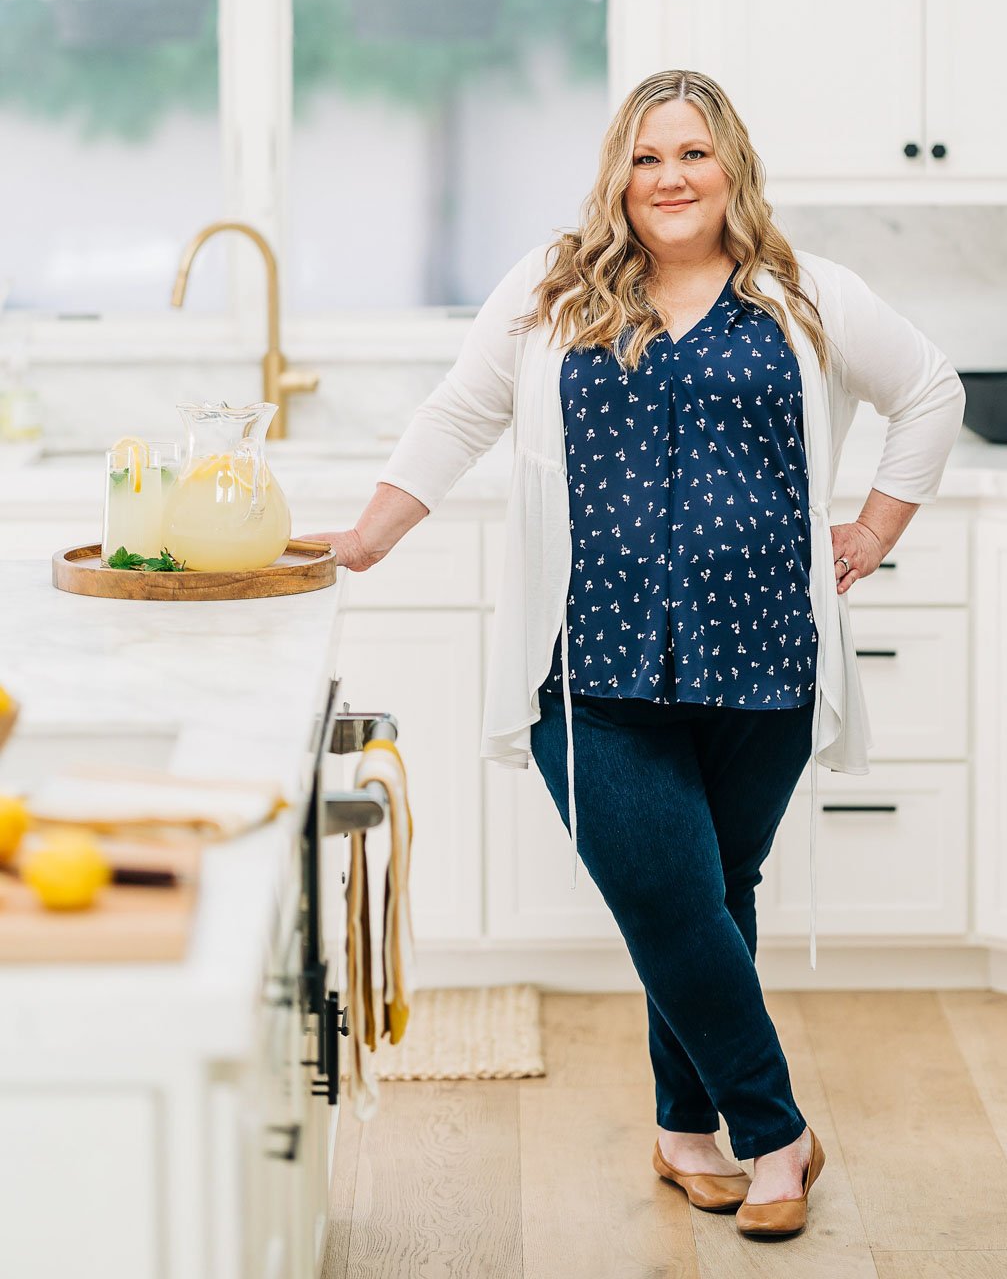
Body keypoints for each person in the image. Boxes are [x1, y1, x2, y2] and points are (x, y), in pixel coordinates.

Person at [313, 69, 965, 1240]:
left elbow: (930, 391)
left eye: (693, 155)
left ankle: (682, 1127)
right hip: (592, 669)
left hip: (765, 660)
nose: (670, 177)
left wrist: (874, 526)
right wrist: (370, 532)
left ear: (732, 171)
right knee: (666, 892)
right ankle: (775, 1133)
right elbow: (462, 411)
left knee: (710, 901)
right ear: (619, 171)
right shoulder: (555, 286)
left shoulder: (804, 291)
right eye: (647, 156)